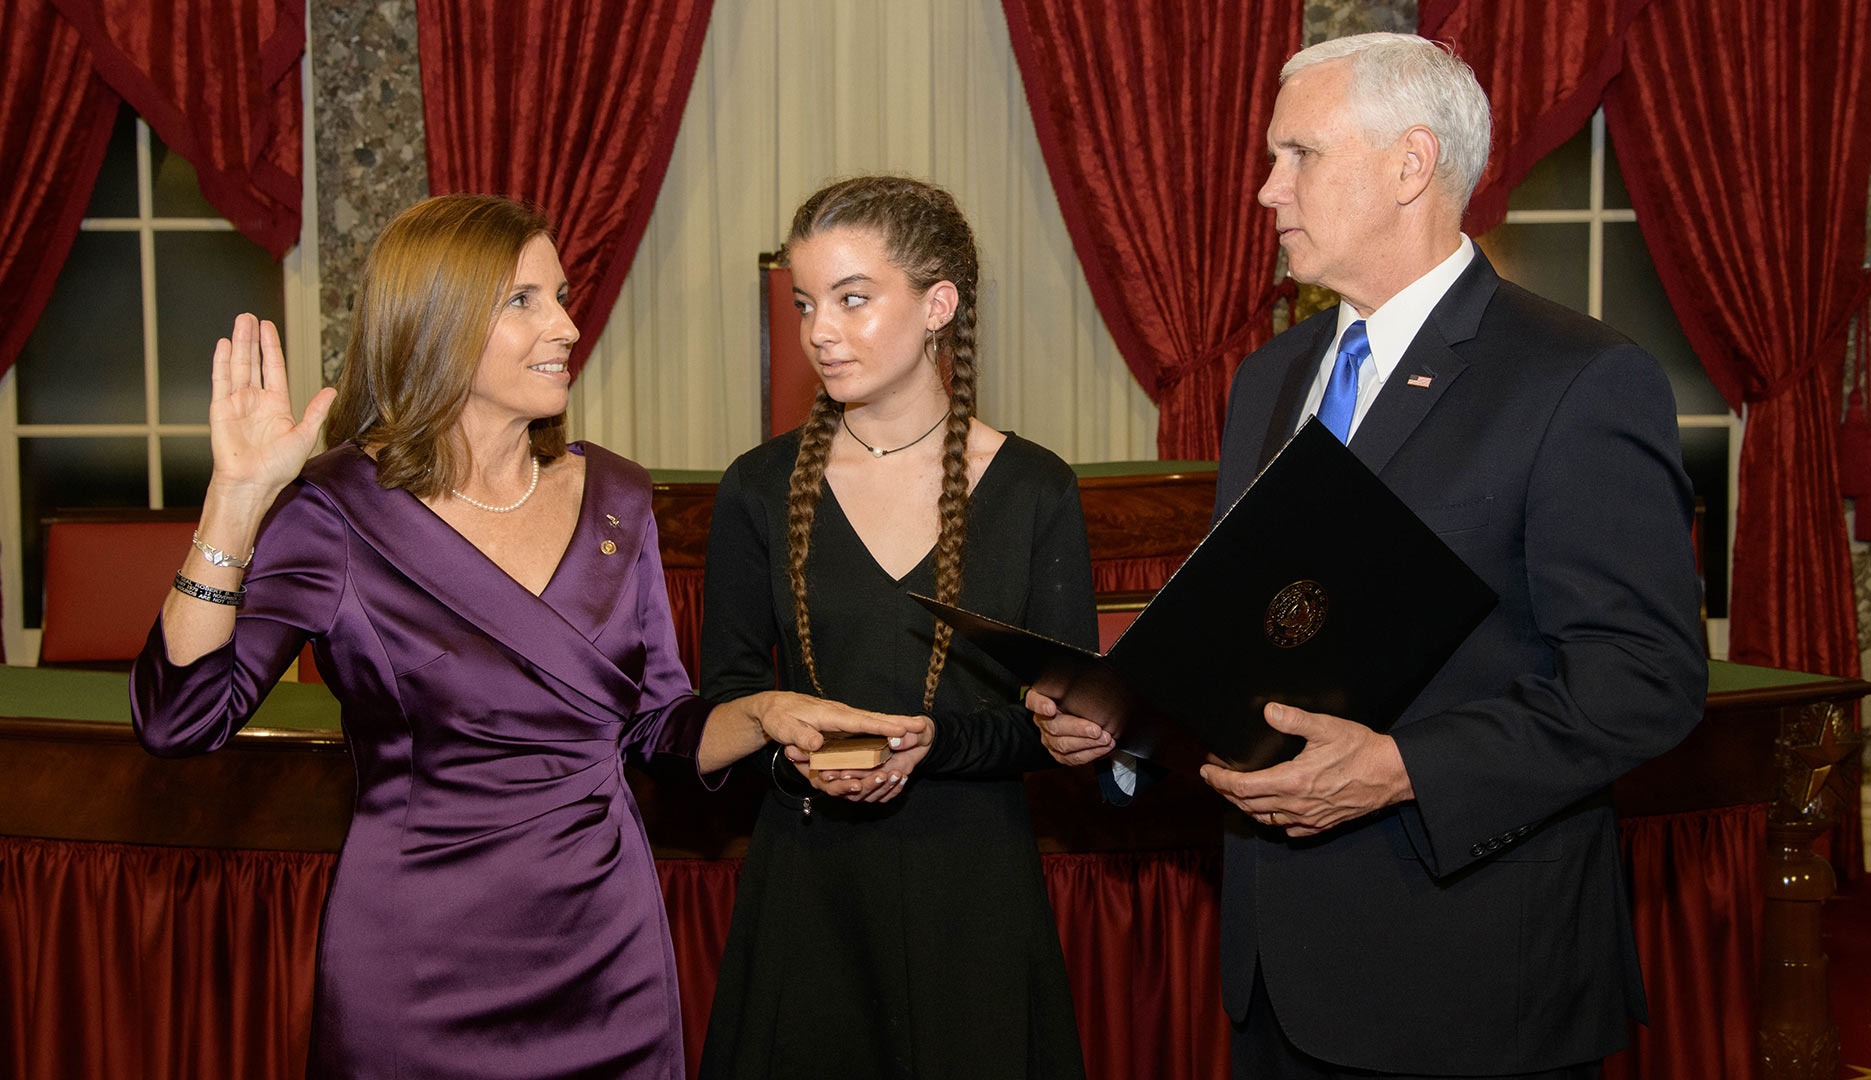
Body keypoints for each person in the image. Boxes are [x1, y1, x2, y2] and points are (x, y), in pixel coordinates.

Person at [1030, 33, 1707, 1080]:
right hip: (1275, 976)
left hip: (1472, 979)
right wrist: (1125, 726)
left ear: (1410, 164)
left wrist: (1402, 770)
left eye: (1296, 154)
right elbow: (1255, 642)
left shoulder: (1578, 379)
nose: (1265, 190)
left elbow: (1646, 682)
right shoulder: (1269, 378)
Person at [131, 193, 914, 1080]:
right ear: (439, 324)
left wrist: (769, 714)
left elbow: (657, 730)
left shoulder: (617, 497)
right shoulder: (338, 513)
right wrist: (237, 499)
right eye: (525, 301)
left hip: (607, 958)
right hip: (416, 968)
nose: (570, 326)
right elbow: (178, 721)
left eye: (563, 296)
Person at [697, 176, 1093, 1078]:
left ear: (937, 306)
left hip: (975, 893)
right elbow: (722, 704)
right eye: (805, 304)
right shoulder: (757, 488)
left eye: (852, 299)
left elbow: (1054, 729)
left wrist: (936, 743)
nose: (818, 331)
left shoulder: (1034, 488)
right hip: (807, 886)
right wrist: (789, 744)